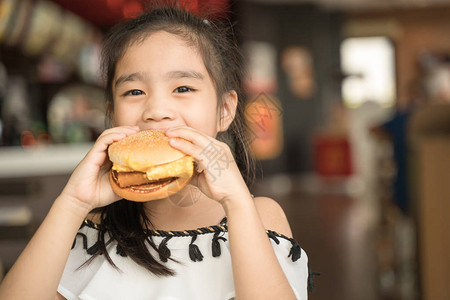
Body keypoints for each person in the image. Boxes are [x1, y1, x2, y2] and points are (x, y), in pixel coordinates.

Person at [0, 4, 309, 300]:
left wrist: (236, 202)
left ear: (224, 110)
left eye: (183, 88)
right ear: (112, 114)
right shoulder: (90, 228)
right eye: (134, 92)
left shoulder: (258, 215)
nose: (157, 111)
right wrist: (71, 204)